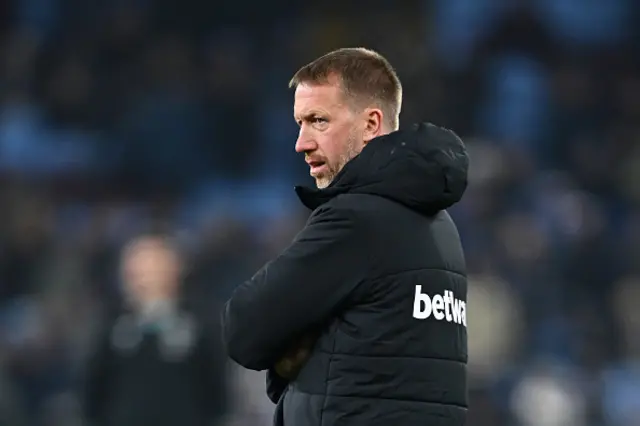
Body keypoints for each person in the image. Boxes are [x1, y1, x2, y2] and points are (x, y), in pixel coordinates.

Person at [222, 47, 469, 426]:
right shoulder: (441, 226)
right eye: (299, 123)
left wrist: (291, 353)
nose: (301, 143)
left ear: (371, 123)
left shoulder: (358, 219)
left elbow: (244, 329)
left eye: (318, 121)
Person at [82, 233, 229, 426]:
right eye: (137, 268)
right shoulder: (110, 327)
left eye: (153, 267)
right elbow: (92, 393)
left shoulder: (200, 324)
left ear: (176, 269)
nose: (144, 276)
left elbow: (217, 391)